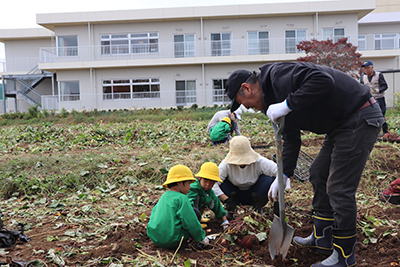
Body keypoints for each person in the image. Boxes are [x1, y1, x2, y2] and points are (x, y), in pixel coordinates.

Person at [225, 62, 384, 267]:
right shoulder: (271, 103)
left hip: (359, 116)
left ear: (247, 88)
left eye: (243, 102)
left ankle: (344, 255)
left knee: (339, 187)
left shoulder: (277, 75)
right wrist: (284, 174)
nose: (246, 108)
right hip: (339, 126)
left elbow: (323, 80)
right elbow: (290, 136)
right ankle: (322, 237)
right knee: (318, 173)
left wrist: (287, 104)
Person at [212, 135, 279, 217]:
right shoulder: (226, 165)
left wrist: (277, 200)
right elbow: (213, 183)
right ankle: (231, 210)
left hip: (255, 193)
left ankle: (258, 207)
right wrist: (226, 200)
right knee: (221, 182)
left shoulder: (259, 161)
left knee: (268, 179)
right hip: (234, 195)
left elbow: (280, 172)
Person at [146, 164, 210, 249]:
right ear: (179, 183)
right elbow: (190, 222)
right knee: (195, 213)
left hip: (156, 239)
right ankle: (189, 240)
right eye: (188, 183)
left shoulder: (164, 196)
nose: (190, 187)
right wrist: (201, 238)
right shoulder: (182, 198)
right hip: (174, 241)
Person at [187, 162, 229, 230]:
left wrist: (225, 221)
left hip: (196, 214)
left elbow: (217, 204)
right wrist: (194, 222)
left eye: (211, 182)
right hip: (188, 217)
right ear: (200, 178)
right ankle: (196, 221)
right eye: (205, 181)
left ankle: (198, 218)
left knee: (211, 199)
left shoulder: (209, 191)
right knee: (196, 198)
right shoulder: (193, 188)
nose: (208, 185)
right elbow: (187, 206)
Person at [362, 60, 389, 135]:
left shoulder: (379, 75)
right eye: (365, 68)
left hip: (379, 98)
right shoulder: (363, 77)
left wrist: (378, 90)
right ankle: (371, 132)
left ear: (372, 67)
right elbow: (362, 87)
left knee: (381, 115)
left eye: (367, 68)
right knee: (370, 116)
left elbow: (385, 86)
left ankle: (385, 132)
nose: (366, 70)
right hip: (370, 99)